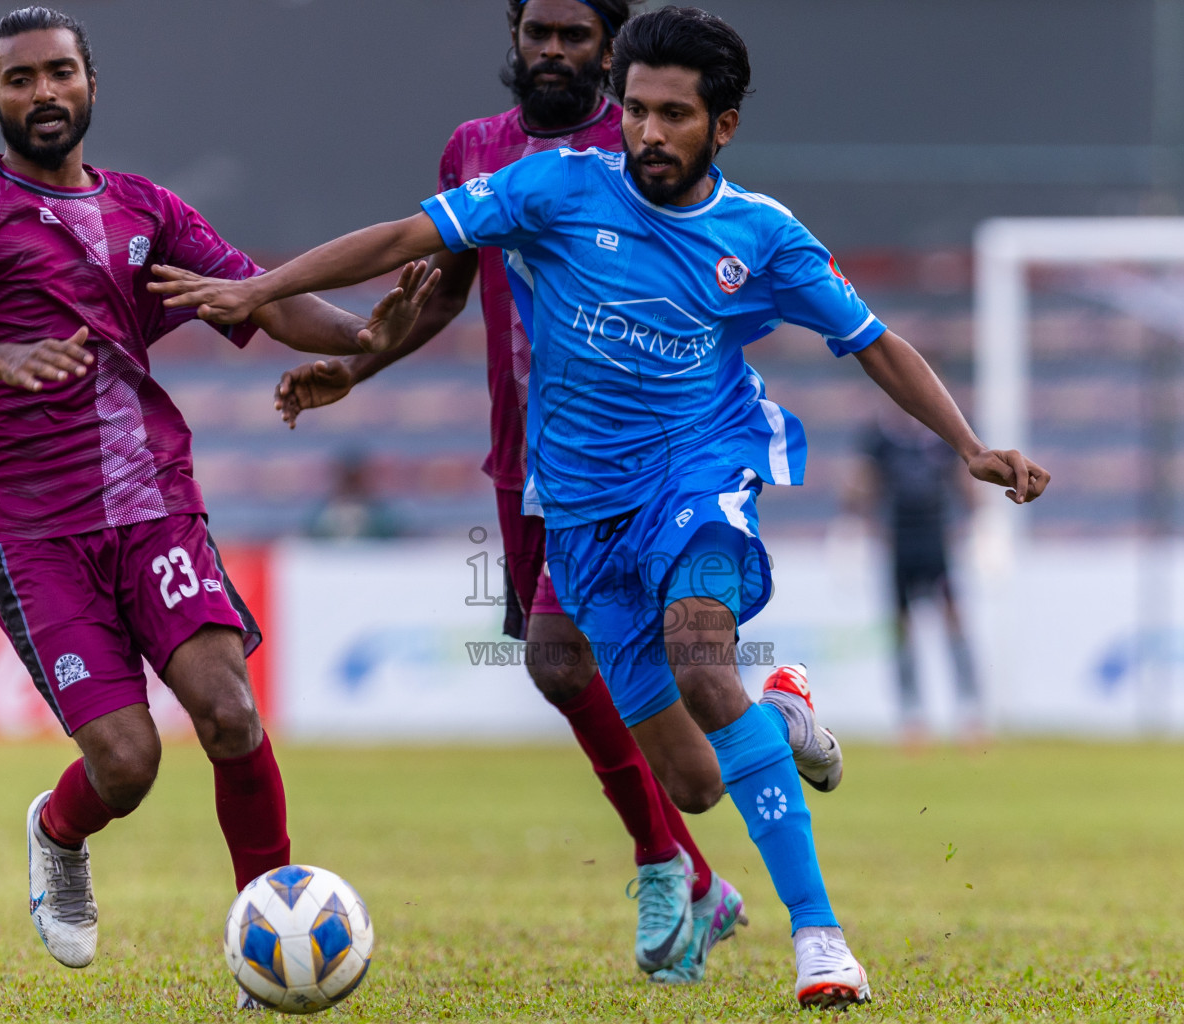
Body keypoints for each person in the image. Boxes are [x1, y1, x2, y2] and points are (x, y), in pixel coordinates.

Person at [150, 5, 1050, 1008]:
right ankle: (780, 710)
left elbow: (875, 341)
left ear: (725, 126)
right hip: (579, 506)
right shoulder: (553, 187)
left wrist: (970, 445)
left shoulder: (761, 235)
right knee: (698, 782)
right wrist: (269, 297)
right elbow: (410, 239)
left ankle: (821, 937)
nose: (650, 133)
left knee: (702, 654)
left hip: (701, 472)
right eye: (637, 111)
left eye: (675, 114)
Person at [0, 7, 436, 1000]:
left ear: (89, 84)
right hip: (29, 526)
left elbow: (263, 298)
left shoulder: (148, 212)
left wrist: (366, 335)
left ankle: (272, 940)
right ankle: (58, 830)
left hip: (153, 502)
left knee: (227, 710)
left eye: (58, 73)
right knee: (129, 762)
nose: (42, 93)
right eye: (20, 80)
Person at [271, 0, 743, 985]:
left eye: (577, 37)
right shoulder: (474, 150)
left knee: (603, 661)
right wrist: (356, 370)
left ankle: (680, 855)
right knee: (563, 668)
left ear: (610, 47)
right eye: (541, 34)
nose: (557, 53)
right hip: (522, 456)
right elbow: (443, 286)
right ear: (517, 41)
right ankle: (687, 867)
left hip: (643, 456)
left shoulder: (646, 141)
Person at [849, 412, 982, 745]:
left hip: (937, 545)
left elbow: (967, 489)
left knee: (954, 625)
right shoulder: (880, 439)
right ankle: (912, 719)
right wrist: (859, 520)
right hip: (900, 546)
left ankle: (971, 714)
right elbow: (862, 487)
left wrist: (978, 523)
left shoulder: (944, 437)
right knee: (902, 632)